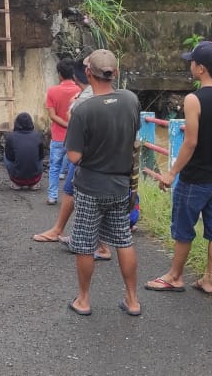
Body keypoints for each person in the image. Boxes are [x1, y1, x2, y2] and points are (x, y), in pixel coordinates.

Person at [143, 40, 212, 297]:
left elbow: (191, 142)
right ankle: (208, 279)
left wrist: (171, 172)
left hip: (195, 177)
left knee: (184, 228)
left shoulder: (194, 99)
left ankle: (174, 276)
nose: (190, 65)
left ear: (201, 68)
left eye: (192, 62)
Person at [64, 49, 141, 317]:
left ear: (88, 73)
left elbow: (74, 156)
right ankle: (132, 300)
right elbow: (134, 133)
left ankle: (84, 300)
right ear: (115, 72)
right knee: (124, 240)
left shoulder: (83, 110)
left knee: (85, 243)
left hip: (90, 187)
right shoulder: (131, 100)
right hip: (121, 185)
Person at [33, 58, 111, 260]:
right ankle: (62, 230)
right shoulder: (111, 95)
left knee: (86, 197)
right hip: (99, 155)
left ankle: (96, 245)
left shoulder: (84, 98)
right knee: (70, 189)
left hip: (85, 156)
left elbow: (69, 118)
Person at [44, 60, 80, 205]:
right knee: (74, 168)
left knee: (54, 167)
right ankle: (73, 197)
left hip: (58, 137)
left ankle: (52, 196)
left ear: (59, 74)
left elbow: (52, 116)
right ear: (73, 73)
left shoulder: (52, 91)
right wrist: (71, 126)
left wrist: (66, 125)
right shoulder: (80, 91)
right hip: (75, 138)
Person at [4, 112, 44, 190]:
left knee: (5, 154)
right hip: (35, 178)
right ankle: (33, 184)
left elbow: (10, 157)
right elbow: (41, 156)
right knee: (39, 157)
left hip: (17, 178)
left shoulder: (10, 137)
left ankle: (17, 184)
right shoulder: (38, 135)